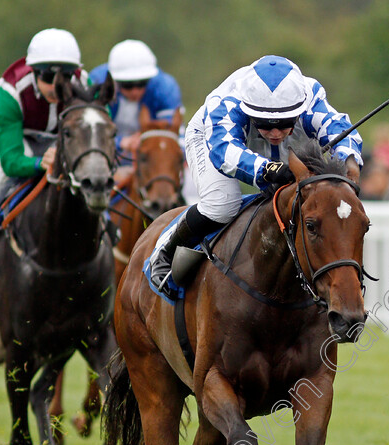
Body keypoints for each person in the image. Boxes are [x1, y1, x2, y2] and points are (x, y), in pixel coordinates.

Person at [148, 55, 363, 295]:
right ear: (250, 111)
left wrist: (348, 164)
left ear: (298, 111)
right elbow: (224, 151)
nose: (274, 132)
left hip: (280, 135)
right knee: (221, 204)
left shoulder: (310, 98)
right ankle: (164, 251)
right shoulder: (228, 104)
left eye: (283, 123)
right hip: (212, 137)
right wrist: (268, 169)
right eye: (266, 124)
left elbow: (341, 130)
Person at [0, 28, 86, 262]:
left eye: (65, 76)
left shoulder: (84, 83)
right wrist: (39, 163)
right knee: (8, 168)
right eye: (48, 76)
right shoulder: (11, 91)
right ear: (33, 71)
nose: (57, 85)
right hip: (14, 137)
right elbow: (11, 161)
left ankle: (104, 221)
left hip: (55, 138)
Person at [89, 39, 184, 161]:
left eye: (141, 84)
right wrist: (120, 142)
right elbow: (89, 132)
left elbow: (173, 134)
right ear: (114, 81)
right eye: (127, 85)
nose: (135, 91)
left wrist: (147, 138)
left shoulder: (165, 88)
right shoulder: (97, 83)